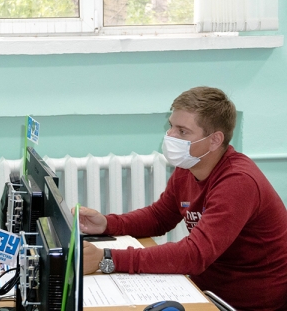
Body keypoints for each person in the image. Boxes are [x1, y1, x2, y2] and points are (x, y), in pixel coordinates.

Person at [77, 87, 287, 310]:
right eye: (171, 126)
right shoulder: (189, 166)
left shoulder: (238, 181)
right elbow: (159, 217)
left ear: (215, 140)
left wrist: (107, 258)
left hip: (248, 302)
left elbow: (195, 254)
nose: (170, 136)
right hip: (205, 290)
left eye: (183, 131)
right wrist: (107, 224)